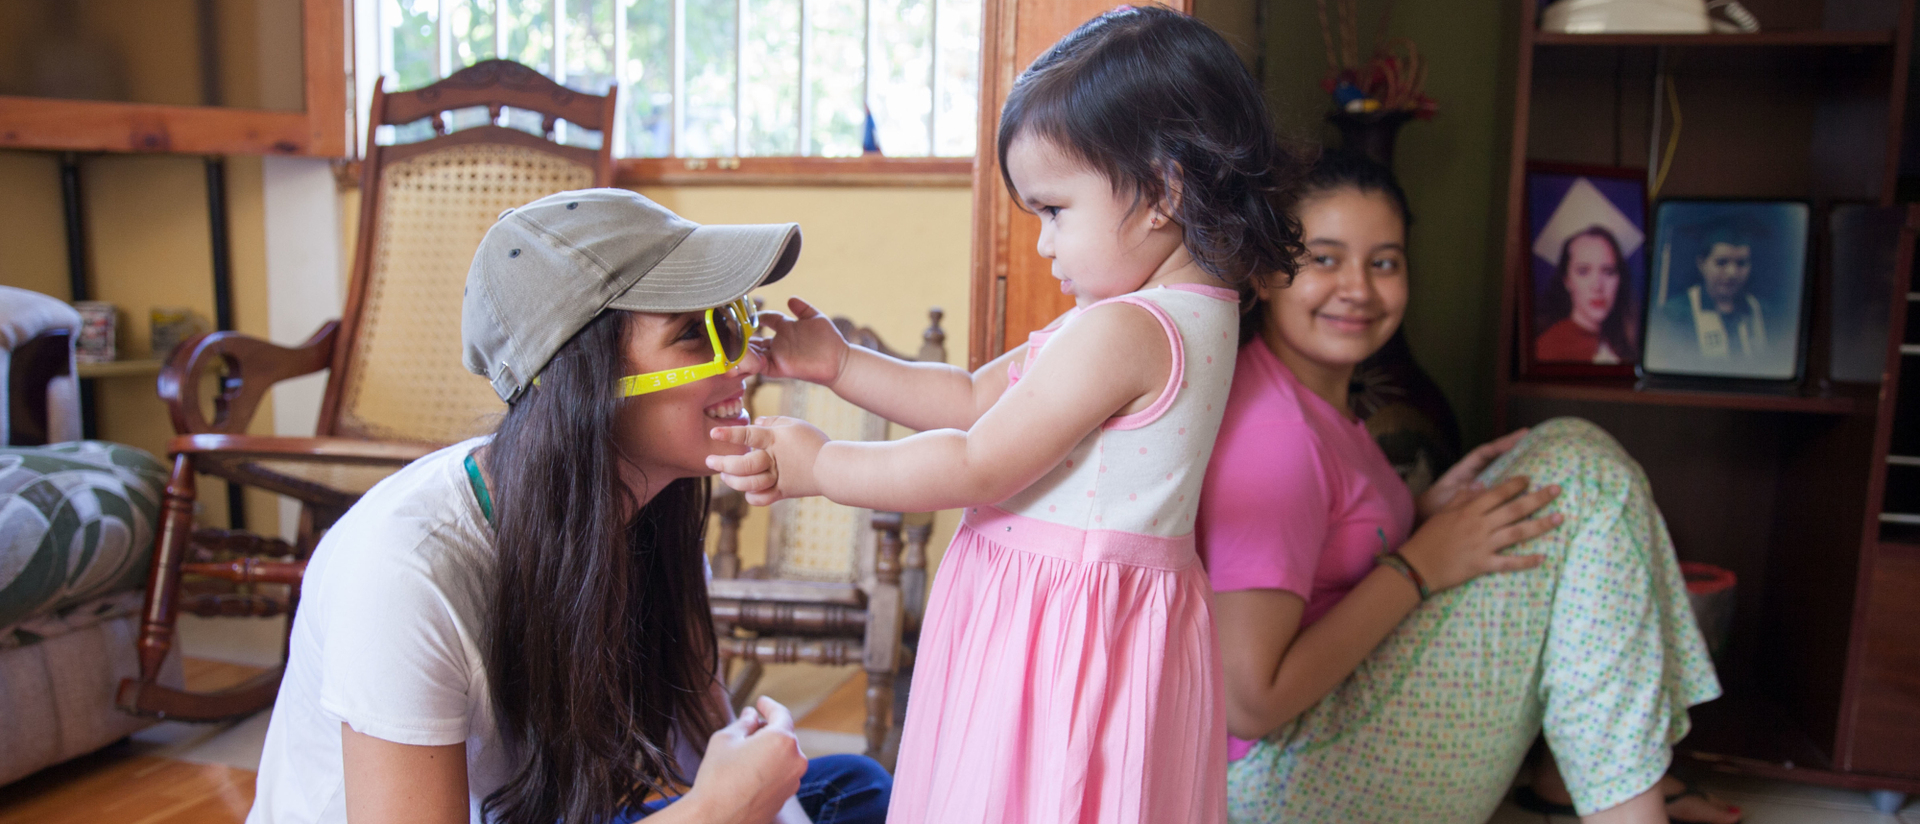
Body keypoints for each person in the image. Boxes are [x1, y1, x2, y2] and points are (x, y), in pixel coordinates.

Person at [705, 8, 1304, 822]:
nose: (1044, 245)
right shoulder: (1173, 311)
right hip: (1090, 621)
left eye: (1055, 211)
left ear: (1164, 190)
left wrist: (821, 468)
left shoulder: (1129, 329)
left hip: (1059, 634)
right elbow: (976, 397)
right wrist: (842, 365)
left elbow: (978, 461)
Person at [247, 189, 892, 824]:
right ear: (584, 380)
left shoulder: (649, 516)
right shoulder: (404, 572)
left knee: (851, 789)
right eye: (695, 334)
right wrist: (716, 810)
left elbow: (707, 746)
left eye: (734, 323)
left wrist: (750, 790)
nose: (747, 362)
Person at [1199, 154, 1736, 824]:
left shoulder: (1316, 403)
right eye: (1326, 259)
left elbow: (1324, 558)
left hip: (1317, 740)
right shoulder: (1273, 437)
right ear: (1268, 273)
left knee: (1559, 469)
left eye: (1385, 262)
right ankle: (1618, 798)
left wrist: (1420, 516)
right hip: (1290, 779)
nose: (1358, 288)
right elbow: (1253, 699)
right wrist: (1419, 563)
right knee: (1584, 470)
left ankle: (1586, 780)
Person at [1658, 225, 1765, 360]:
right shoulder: (1674, 315)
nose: (1732, 273)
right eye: (1721, 262)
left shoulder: (1761, 312)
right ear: (1702, 264)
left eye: (1741, 263)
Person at [1535, 225, 1636, 364]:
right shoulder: (1549, 349)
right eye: (1583, 271)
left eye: (1608, 272)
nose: (1597, 286)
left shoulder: (1623, 341)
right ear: (1567, 280)